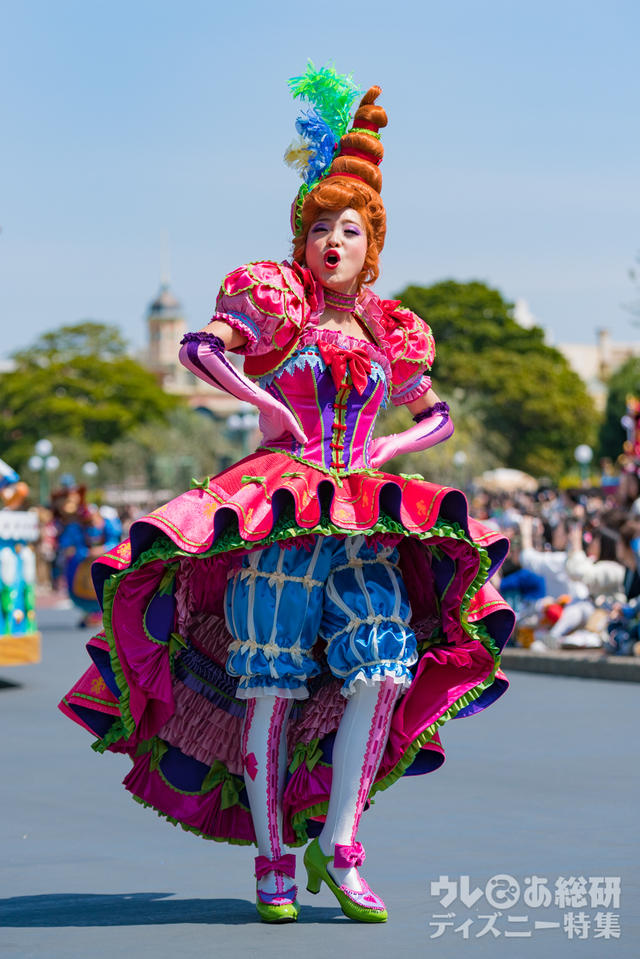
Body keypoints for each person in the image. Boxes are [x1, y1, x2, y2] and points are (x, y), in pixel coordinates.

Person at [59, 66, 513, 925]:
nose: (332, 241)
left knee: (384, 667)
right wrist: (267, 404)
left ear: (372, 245)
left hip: (366, 518)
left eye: (349, 229)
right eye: (319, 227)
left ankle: (340, 843)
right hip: (281, 513)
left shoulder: (389, 328)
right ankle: (272, 852)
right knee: (270, 684)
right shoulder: (280, 303)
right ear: (301, 238)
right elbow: (202, 349)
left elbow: (437, 412)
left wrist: (392, 445)